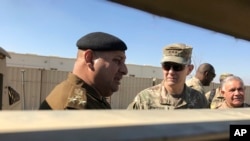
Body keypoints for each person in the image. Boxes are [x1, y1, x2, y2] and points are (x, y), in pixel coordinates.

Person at [39, 32, 128, 110]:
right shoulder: (76, 108)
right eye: (117, 60)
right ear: (89, 59)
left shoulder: (92, 96)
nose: (125, 70)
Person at [127, 43, 208, 110]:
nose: (171, 72)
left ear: (189, 69)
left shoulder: (199, 100)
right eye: (167, 66)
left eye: (177, 67)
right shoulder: (144, 99)